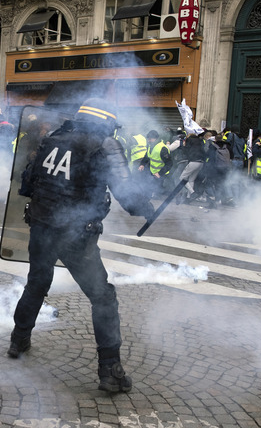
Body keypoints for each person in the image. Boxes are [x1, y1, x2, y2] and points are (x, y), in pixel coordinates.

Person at [8, 98, 154, 394]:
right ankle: (110, 371)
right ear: (105, 123)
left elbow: (26, 184)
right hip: (75, 234)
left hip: (41, 226)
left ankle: (18, 341)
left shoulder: (53, 139)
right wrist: (147, 207)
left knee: (37, 283)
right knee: (103, 297)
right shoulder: (104, 144)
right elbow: (126, 194)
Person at [146, 130, 174, 197]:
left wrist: (160, 173)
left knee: (159, 190)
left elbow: (169, 163)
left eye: (150, 139)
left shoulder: (162, 148)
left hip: (161, 174)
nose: (148, 140)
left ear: (155, 139)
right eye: (148, 139)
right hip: (153, 172)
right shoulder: (151, 147)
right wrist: (142, 164)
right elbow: (147, 157)